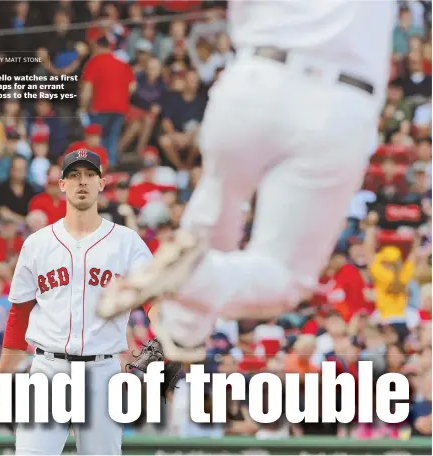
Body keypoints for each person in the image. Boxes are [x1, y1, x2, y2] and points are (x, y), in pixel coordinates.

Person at [97, 0, 397, 361]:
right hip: (340, 99)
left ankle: (182, 332)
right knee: (286, 276)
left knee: (215, 214)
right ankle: (189, 293)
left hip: (254, 79)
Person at [0, 149, 152, 455]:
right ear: (62, 184)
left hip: (102, 369)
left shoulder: (126, 241)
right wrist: (3, 374)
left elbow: (152, 300)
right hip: (48, 368)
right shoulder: (38, 243)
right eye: (74, 175)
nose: (83, 182)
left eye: (90, 175)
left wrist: (165, 335)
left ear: (102, 182)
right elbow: (20, 313)